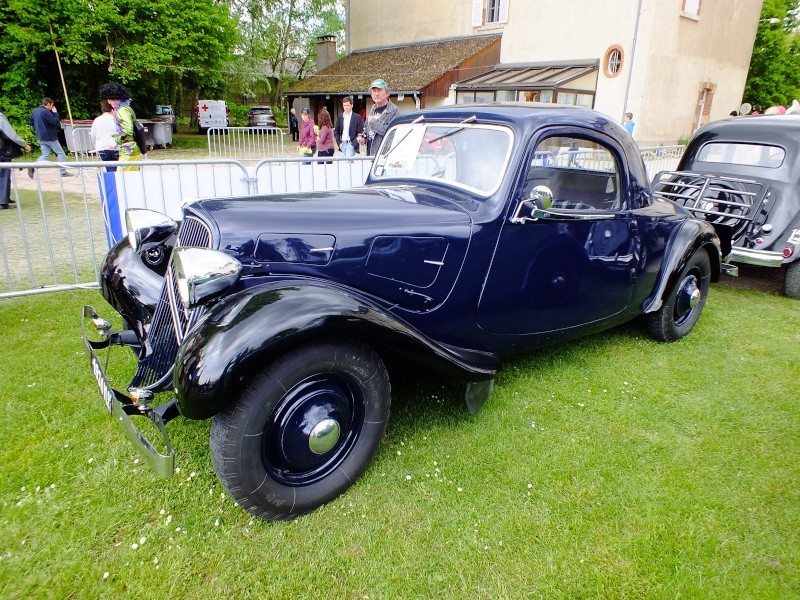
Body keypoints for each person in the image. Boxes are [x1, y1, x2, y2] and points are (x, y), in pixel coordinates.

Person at [99, 82, 142, 170]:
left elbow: (128, 130)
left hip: (129, 150)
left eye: (108, 99)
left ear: (114, 98)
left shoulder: (122, 111)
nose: (108, 102)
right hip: (130, 149)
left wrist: (116, 142)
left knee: (122, 179)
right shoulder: (125, 108)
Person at [29, 97, 71, 177]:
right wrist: (55, 113)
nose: (52, 108)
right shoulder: (46, 112)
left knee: (45, 154)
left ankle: (33, 166)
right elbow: (55, 121)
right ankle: (62, 172)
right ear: (48, 104)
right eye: (52, 106)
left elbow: (31, 122)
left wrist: (37, 129)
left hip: (40, 136)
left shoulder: (35, 111)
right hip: (49, 136)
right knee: (61, 153)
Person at [359, 79, 400, 156]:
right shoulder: (373, 108)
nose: (376, 94)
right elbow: (366, 128)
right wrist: (363, 137)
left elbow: (391, 133)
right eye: (374, 91)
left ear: (387, 93)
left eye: (380, 90)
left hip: (384, 155)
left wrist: (373, 122)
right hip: (371, 155)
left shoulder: (394, 110)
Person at [0, 111, 31, 209]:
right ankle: (2, 202)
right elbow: (10, 135)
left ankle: (4, 197)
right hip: (2, 151)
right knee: (4, 174)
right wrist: (24, 144)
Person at [90, 100, 119, 171]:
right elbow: (119, 133)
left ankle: (111, 180)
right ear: (112, 109)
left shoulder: (96, 120)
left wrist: (96, 145)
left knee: (109, 168)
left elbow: (93, 135)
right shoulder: (115, 119)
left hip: (102, 147)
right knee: (119, 169)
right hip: (115, 147)